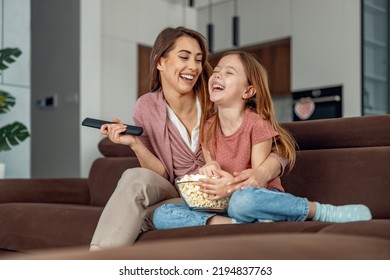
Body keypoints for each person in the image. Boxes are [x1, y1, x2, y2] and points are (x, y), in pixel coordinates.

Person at [90, 28, 286, 250]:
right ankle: (98, 260)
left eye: (199, 60)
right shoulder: (146, 107)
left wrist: (260, 174)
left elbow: (279, 148)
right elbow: (160, 173)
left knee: (145, 216)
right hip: (177, 189)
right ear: (160, 62)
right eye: (184, 57)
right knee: (134, 177)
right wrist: (134, 144)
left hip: (218, 191)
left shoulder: (216, 97)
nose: (193, 67)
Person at [153, 51, 372, 229]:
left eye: (228, 73)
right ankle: (235, 225)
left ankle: (320, 211)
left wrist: (229, 186)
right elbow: (212, 163)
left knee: (244, 202)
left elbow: (259, 180)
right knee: (162, 214)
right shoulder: (208, 126)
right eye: (216, 71)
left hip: (253, 196)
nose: (217, 75)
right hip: (222, 205)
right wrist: (210, 171)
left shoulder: (255, 124)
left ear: (248, 91)